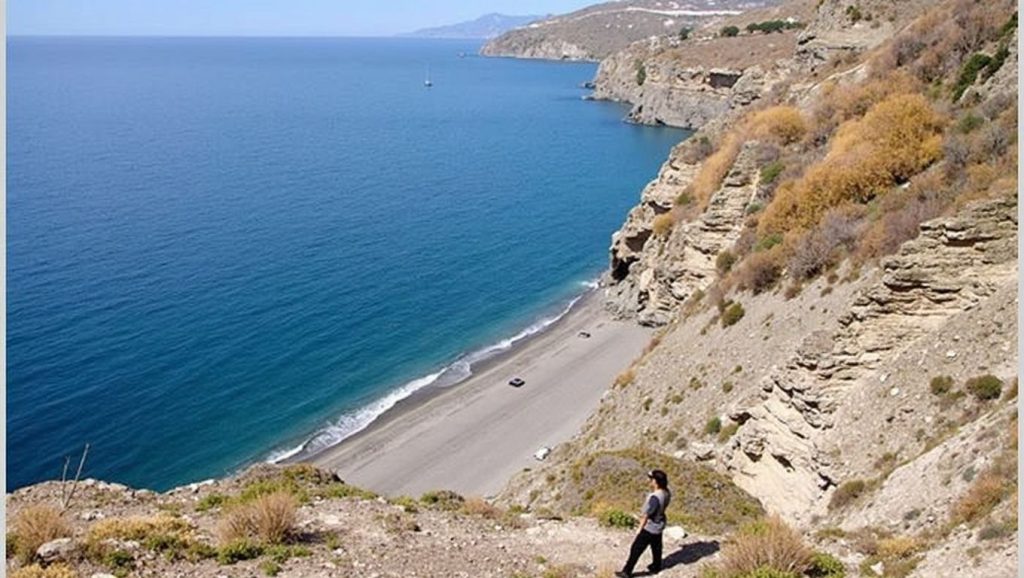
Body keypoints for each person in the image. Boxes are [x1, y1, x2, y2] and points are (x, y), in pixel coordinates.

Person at [616, 469, 671, 577]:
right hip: (659, 525)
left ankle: (627, 571)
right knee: (656, 547)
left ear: (655, 481)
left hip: (650, 527)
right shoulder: (666, 492)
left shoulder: (655, 497)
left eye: (651, 479)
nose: (649, 481)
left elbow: (647, 514)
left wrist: (639, 529)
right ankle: (656, 566)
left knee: (636, 548)